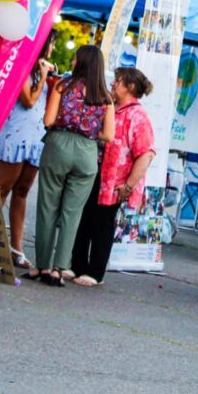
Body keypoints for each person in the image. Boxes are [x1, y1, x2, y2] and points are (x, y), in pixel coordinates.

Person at [27, 45, 115, 287]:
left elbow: (48, 120)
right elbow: (109, 135)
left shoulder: (62, 86)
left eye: (75, 57)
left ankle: (42, 265)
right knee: (72, 214)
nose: (73, 60)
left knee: (48, 207)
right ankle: (59, 269)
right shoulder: (106, 97)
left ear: (81, 62)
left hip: (58, 146)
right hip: (87, 153)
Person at [71, 67, 155, 287]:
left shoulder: (138, 116)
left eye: (118, 81)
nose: (113, 84)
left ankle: (95, 271)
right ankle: (76, 265)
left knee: (103, 223)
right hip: (96, 172)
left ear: (131, 87)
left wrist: (128, 185)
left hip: (115, 181)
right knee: (84, 218)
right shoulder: (111, 108)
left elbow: (145, 154)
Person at [0, 31, 56, 268]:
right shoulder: (21, 67)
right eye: (52, 45)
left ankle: (17, 248)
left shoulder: (42, 73)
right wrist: (44, 75)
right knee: (2, 188)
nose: (52, 51)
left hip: (37, 137)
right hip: (17, 134)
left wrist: (48, 77)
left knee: (22, 191)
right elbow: (28, 100)